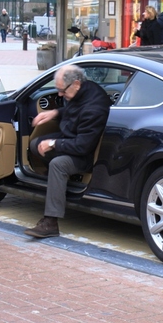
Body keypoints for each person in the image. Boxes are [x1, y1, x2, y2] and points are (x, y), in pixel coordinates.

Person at [24, 65, 112, 238]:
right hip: (72, 139)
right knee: (36, 144)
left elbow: (83, 146)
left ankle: (50, 222)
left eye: (62, 91)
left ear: (76, 84)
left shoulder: (94, 107)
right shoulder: (83, 90)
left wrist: (55, 143)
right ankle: (57, 184)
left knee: (58, 164)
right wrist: (55, 112)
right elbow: (74, 111)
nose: (59, 95)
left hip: (87, 155)